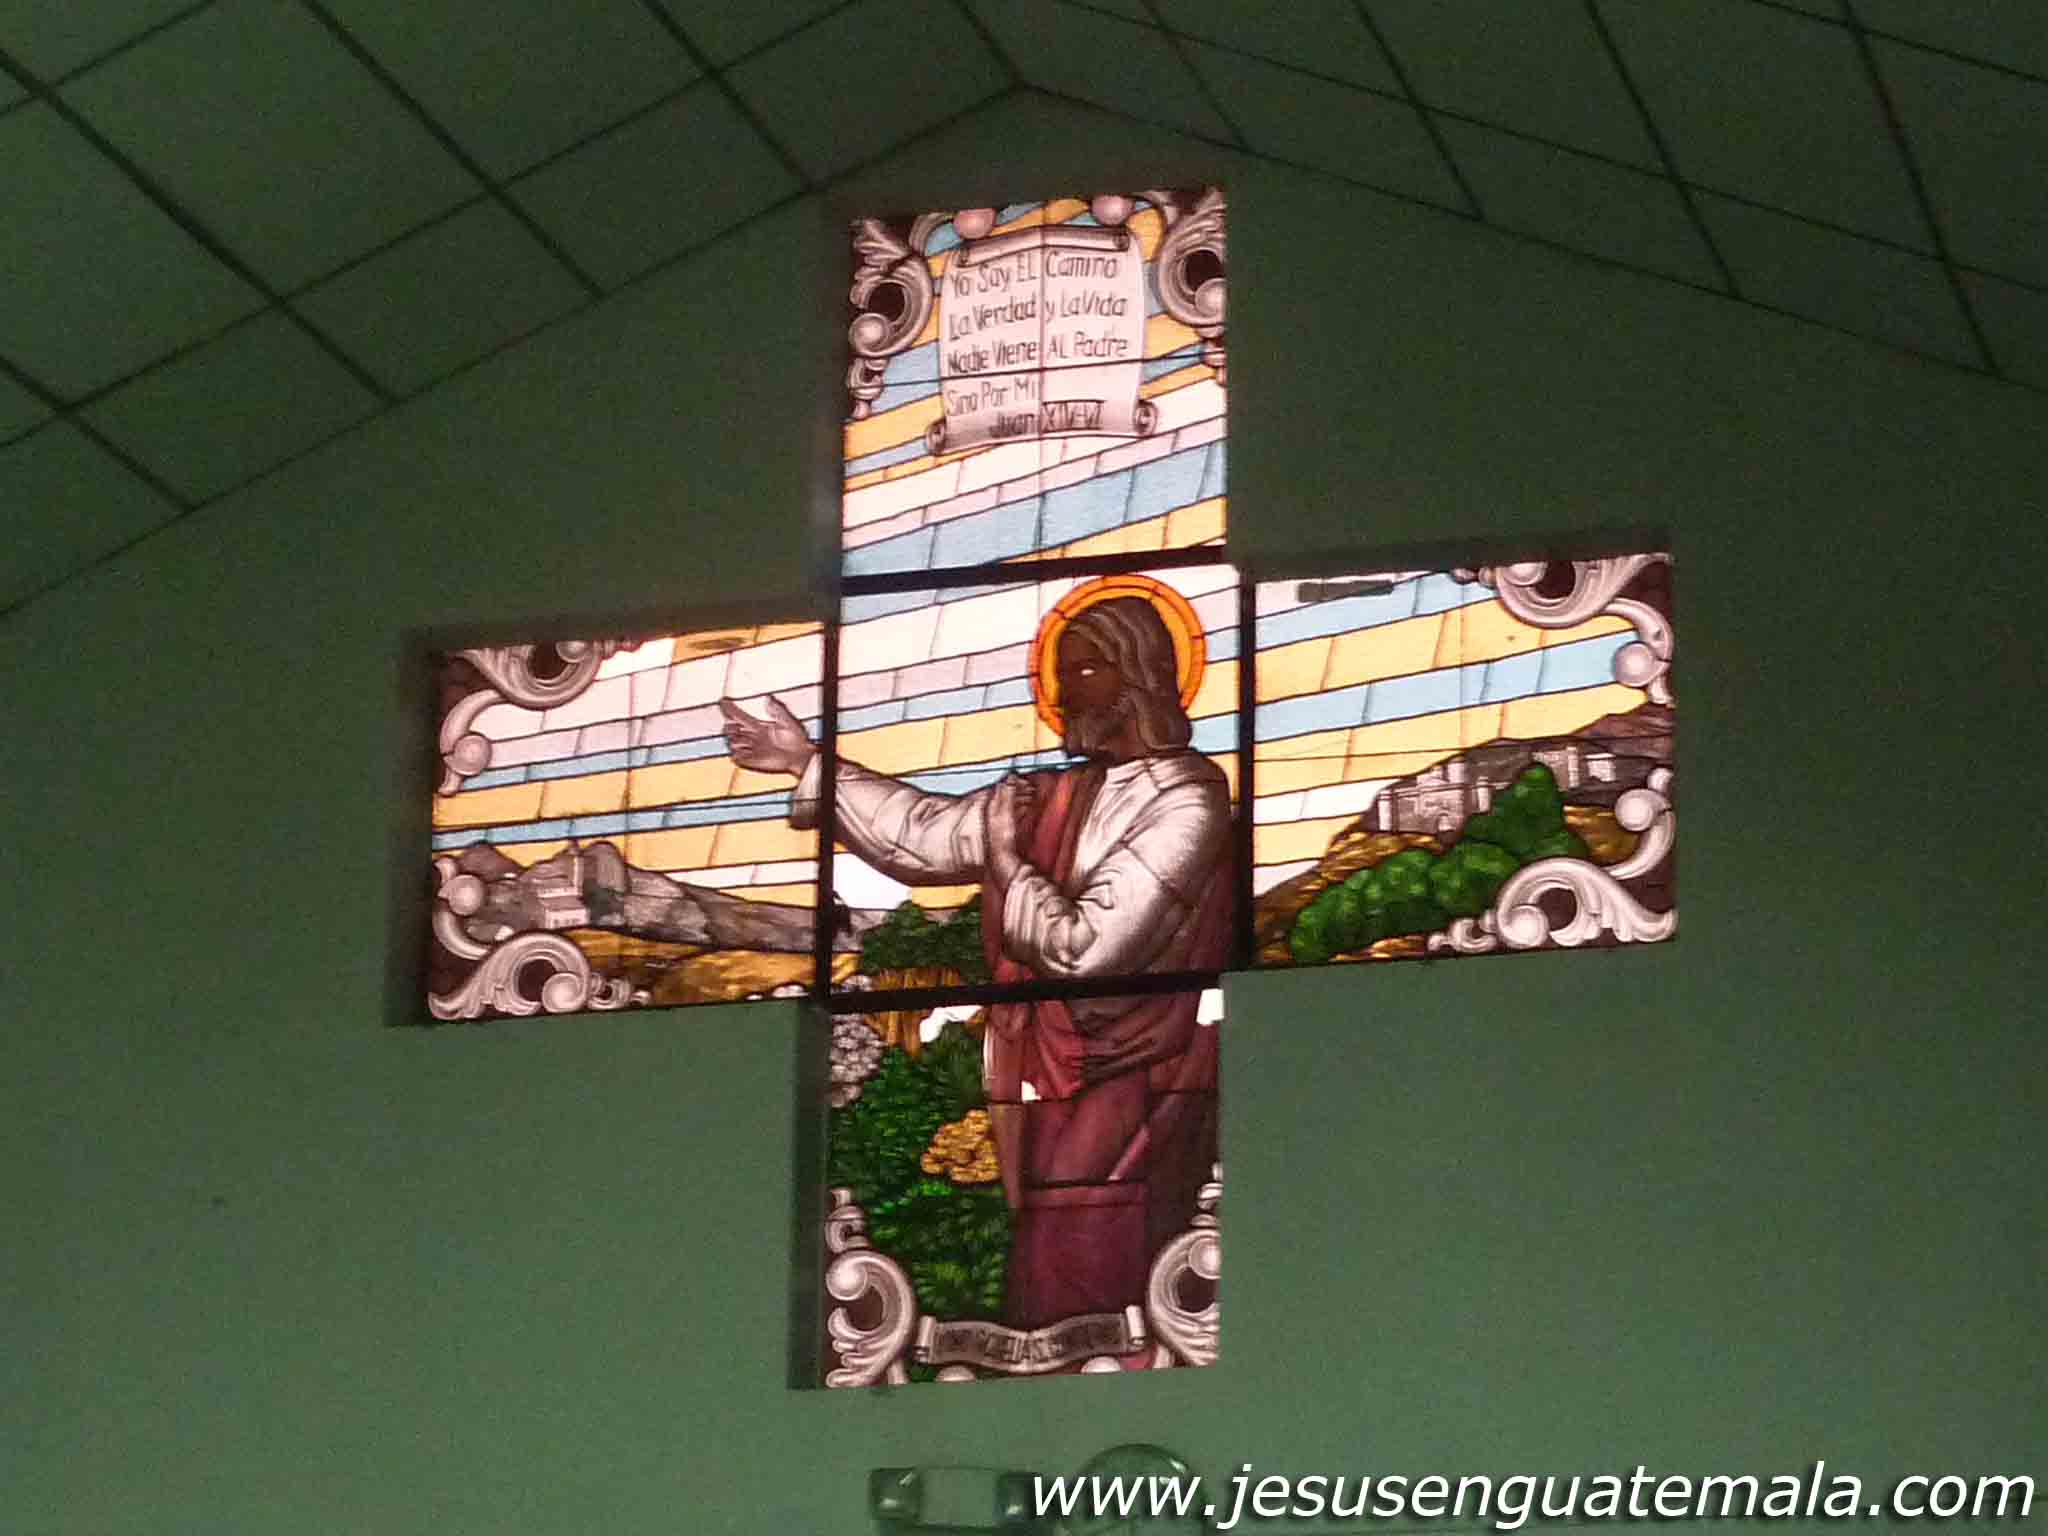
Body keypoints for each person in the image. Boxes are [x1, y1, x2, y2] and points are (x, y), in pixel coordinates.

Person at [720, 594, 1232, 1331]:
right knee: (1045, 1243)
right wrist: (807, 763)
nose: (1064, 691)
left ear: (1142, 674)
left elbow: (1086, 948)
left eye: (1087, 668)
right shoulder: (1051, 794)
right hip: (1046, 1069)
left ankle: (1125, 1349)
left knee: (1093, 1240)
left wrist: (1006, 861)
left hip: (1142, 1073)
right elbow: (923, 836)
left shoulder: (1189, 798)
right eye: (1060, 672)